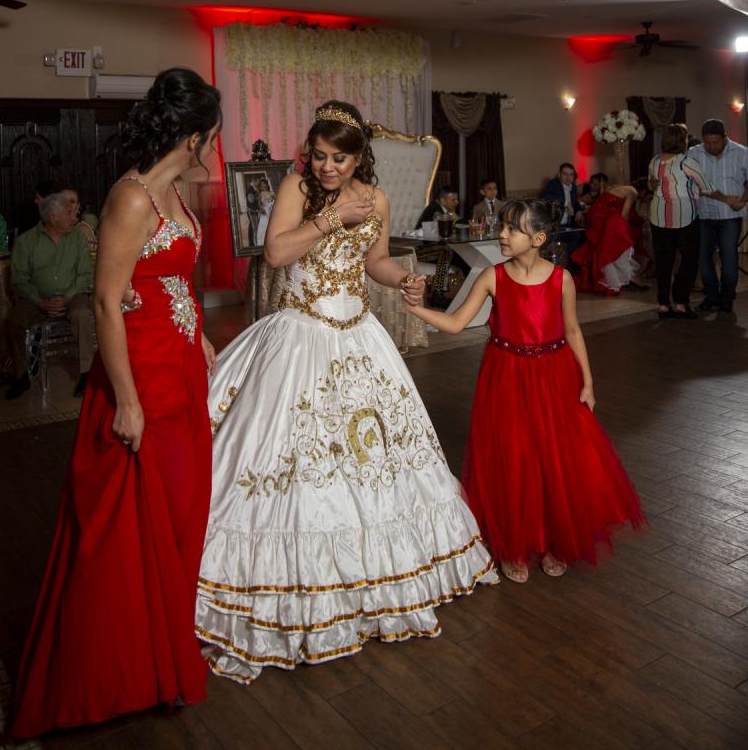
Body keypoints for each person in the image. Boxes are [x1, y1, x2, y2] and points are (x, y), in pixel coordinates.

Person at [195, 102, 497, 683]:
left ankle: (383, 575)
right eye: (319, 156)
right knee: (290, 458)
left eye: (339, 158)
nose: (327, 167)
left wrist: (403, 278)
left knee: (376, 457)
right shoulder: (297, 189)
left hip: (359, 335)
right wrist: (332, 216)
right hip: (299, 335)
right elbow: (276, 253)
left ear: (359, 158)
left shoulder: (376, 200)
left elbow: (375, 262)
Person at [5, 67, 222, 741]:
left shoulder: (177, 191)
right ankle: (118, 673)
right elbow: (105, 301)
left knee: (179, 514)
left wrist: (199, 333)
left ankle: (162, 649)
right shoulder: (131, 196)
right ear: (192, 136)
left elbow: (166, 279)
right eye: (212, 134)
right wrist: (125, 402)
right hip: (141, 378)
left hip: (180, 367)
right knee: (127, 530)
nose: (214, 146)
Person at [405, 199, 646, 582]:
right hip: (506, 374)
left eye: (512, 228)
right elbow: (455, 324)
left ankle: (554, 541)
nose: (502, 234)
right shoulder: (493, 277)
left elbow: (572, 331)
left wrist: (587, 381)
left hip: (554, 374)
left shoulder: (561, 279)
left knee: (553, 458)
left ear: (538, 238)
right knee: (515, 457)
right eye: (502, 226)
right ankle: (514, 544)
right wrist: (416, 309)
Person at [5, 193, 95, 399]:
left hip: (72, 295)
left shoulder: (78, 238)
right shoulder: (26, 241)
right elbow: (19, 280)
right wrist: (40, 302)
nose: (74, 217)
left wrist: (67, 297)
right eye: (69, 213)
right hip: (36, 298)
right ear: (53, 218)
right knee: (13, 322)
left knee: (82, 314)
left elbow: (85, 274)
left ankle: (87, 374)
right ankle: (21, 375)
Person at [648, 124, 714, 319]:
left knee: (663, 261)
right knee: (689, 259)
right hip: (684, 216)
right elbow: (706, 187)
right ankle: (681, 302)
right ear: (682, 141)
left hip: (658, 216)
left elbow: (652, 185)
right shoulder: (687, 162)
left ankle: (663, 304)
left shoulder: (654, 161)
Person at [686, 119, 748, 314]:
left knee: (729, 257)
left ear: (725, 138)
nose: (711, 146)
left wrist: (743, 200)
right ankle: (711, 296)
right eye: (707, 143)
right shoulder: (694, 153)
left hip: (730, 214)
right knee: (703, 258)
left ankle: (727, 298)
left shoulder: (742, 153)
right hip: (703, 213)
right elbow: (691, 184)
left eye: (715, 142)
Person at [571, 175, 643, 295]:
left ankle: (620, 280)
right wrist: (628, 228)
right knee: (619, 248)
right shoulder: (633, 192)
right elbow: (624, 214)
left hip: (597, 215)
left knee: (606, 249)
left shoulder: (618, 188)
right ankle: (617, 281)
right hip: (605, 217)